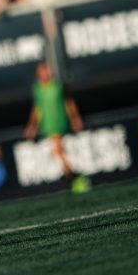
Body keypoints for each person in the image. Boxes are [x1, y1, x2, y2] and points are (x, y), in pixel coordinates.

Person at [24, 61, 90, 194]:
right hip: (47, 123)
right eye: (44, 70)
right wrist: (32, 126)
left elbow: (69, 103)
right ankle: (71, 177)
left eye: (48, 70)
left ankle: (74, 176)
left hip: (59, 121)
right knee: (59, 151)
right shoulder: (37, 89)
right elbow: (37, 109)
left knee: (57, 151)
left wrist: (75, 118)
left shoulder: (58, 86)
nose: (47, 73)